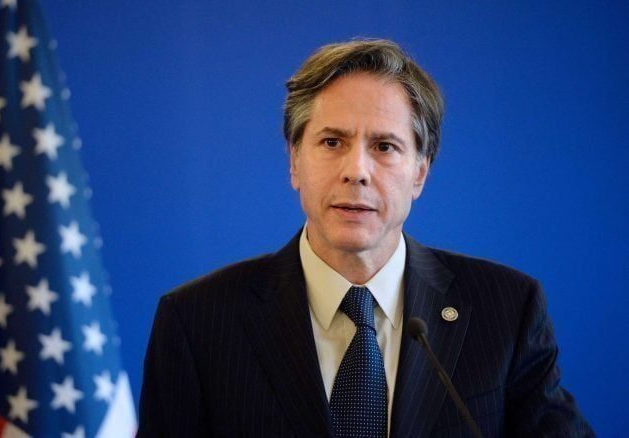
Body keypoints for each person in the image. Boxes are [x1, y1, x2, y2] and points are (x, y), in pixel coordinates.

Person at [138, 39, 593, 437]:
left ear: (420, 172)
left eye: (384, 146)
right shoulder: (197, 322)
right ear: (294, 161)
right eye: (332, 142)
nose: (356, 171)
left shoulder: (507, 310)